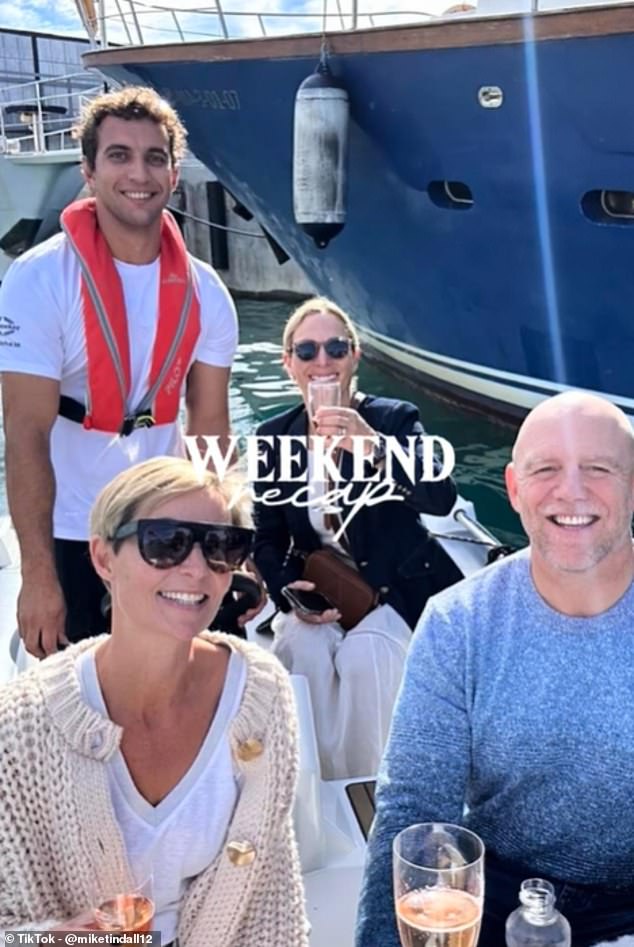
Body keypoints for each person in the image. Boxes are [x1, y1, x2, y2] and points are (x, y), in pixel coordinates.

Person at [356, 390, 634, 947]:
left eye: (598, 469)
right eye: (546, 469)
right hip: (492, 901)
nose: (571, 490)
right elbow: (413, 805)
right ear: (513, 489)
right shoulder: (458, 622)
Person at [0, 456, 308, 947]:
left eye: (221, 547)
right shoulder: (19, 727)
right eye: (165, 542)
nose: (196, 569)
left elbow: (272, 897)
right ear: (104, 559)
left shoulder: (262, 692)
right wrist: (54, 939)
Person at [0, 86, 238, 658]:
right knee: (78, 697)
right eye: (119, 155)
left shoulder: (207, 293)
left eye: (155, 157)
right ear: (88, 170)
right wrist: (38, 575)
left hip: (166, 526)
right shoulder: (39, 281)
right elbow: (26, 435)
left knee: (180, 680)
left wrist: (228, 547)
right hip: (71, 528)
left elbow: (210, 431)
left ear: (174, 174)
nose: (140, 173)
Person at [252, 296, 461, 780]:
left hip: (391, 590)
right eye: (306, 352)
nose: (322, 361)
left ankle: (369, 788)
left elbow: (440, 498)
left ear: (354, 356)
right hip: (321, 587)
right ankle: (316, 783)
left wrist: (370, 445)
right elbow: (265, 538)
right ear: (288, 365)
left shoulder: (393, 419)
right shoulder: (273, 436)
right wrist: (288, 591)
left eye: (335, 348)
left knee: (367, 659)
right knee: (303, 651)